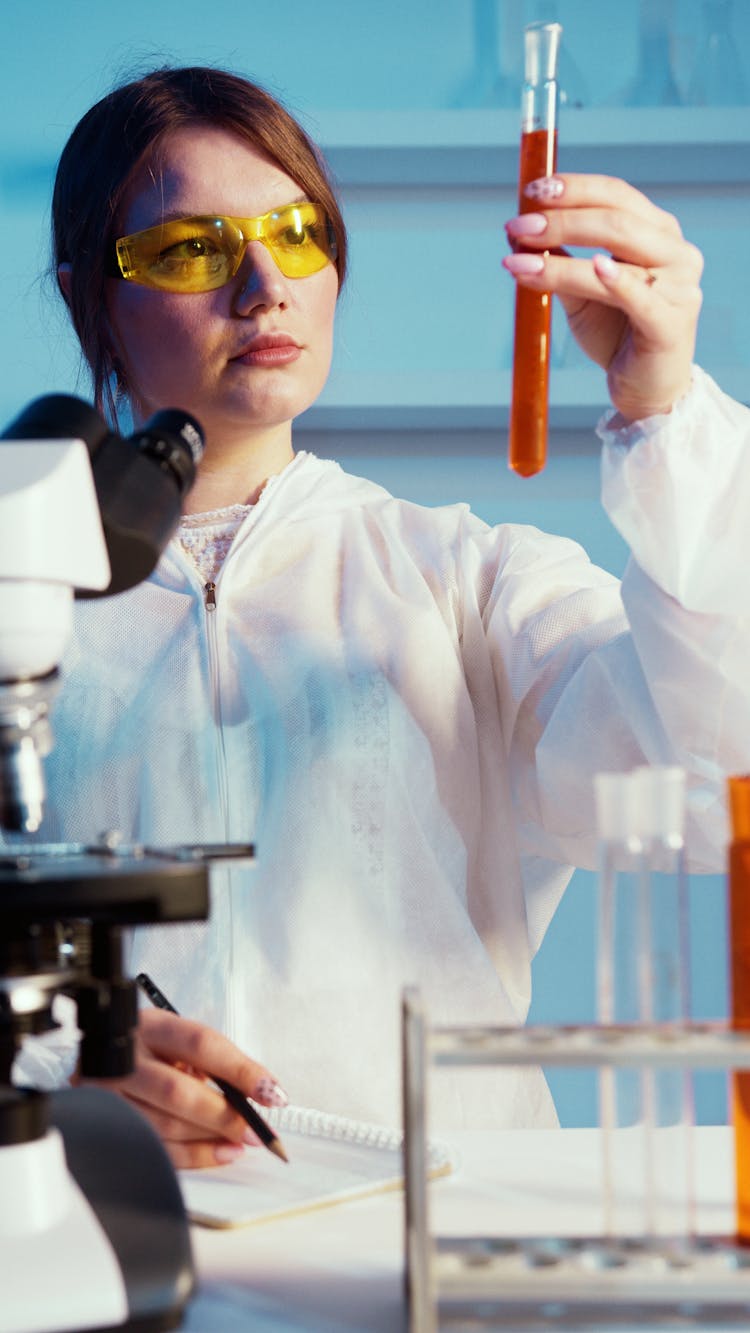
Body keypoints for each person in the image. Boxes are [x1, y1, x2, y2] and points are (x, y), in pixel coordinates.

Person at [16, 64, 749, 1169]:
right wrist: (50, 1062)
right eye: (189, 249)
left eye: (294, 231)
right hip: (110, 1231)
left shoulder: (467, 578)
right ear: (90, 297)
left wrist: (665, 415)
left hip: (425, 1236)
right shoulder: (21, 594)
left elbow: (707, 785)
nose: (263, 284)